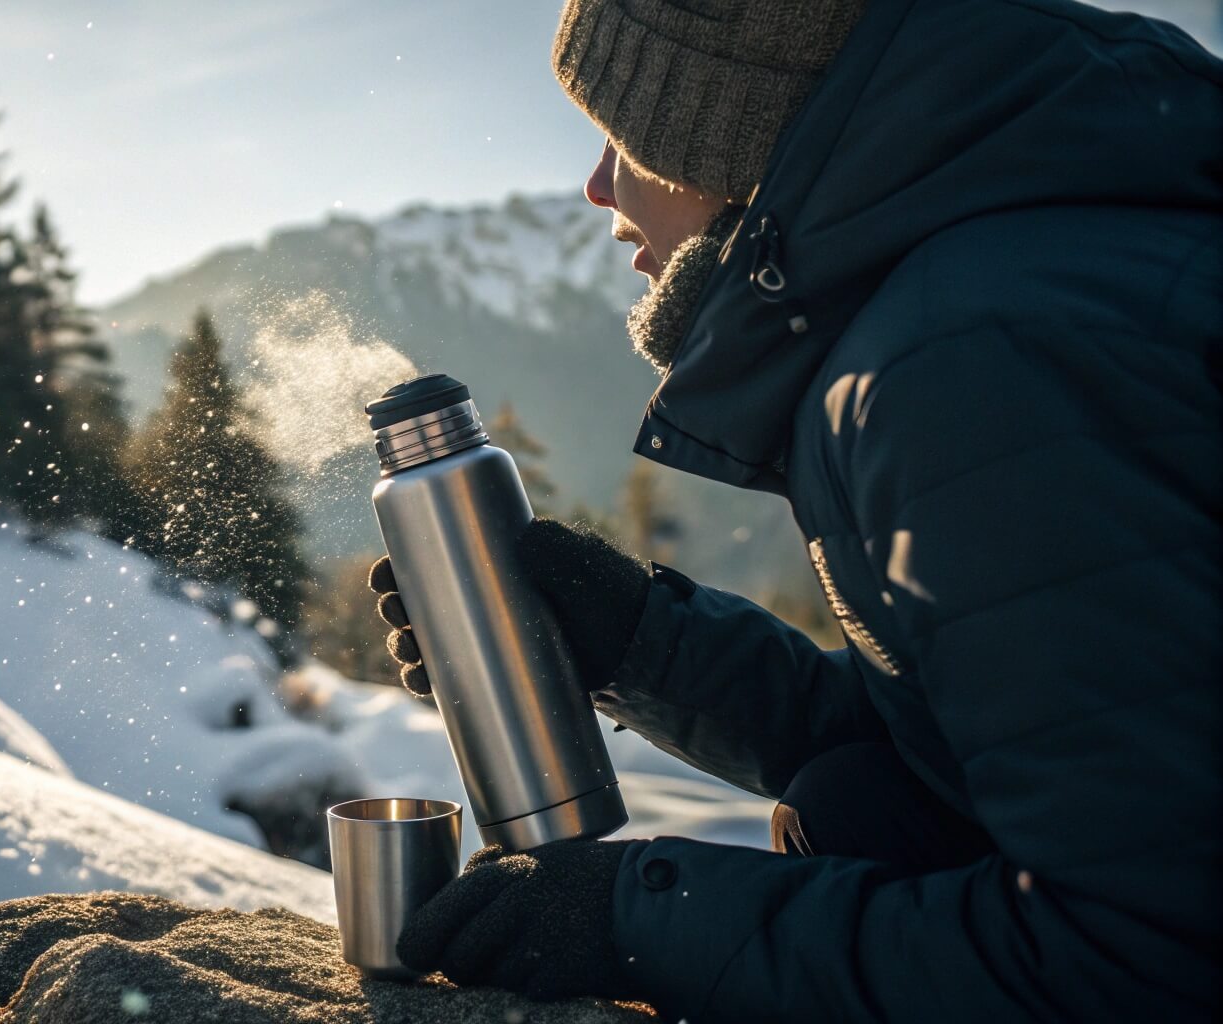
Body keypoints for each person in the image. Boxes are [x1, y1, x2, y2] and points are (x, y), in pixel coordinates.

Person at [367, 0, 1223, 1019]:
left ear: (716, 131)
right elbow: (982, 730)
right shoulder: (999, 275)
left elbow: (1145, 956)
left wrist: (632, 924)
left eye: (619, 138)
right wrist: (640, 643)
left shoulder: (968, 363)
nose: (595, 187)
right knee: (858, 798)